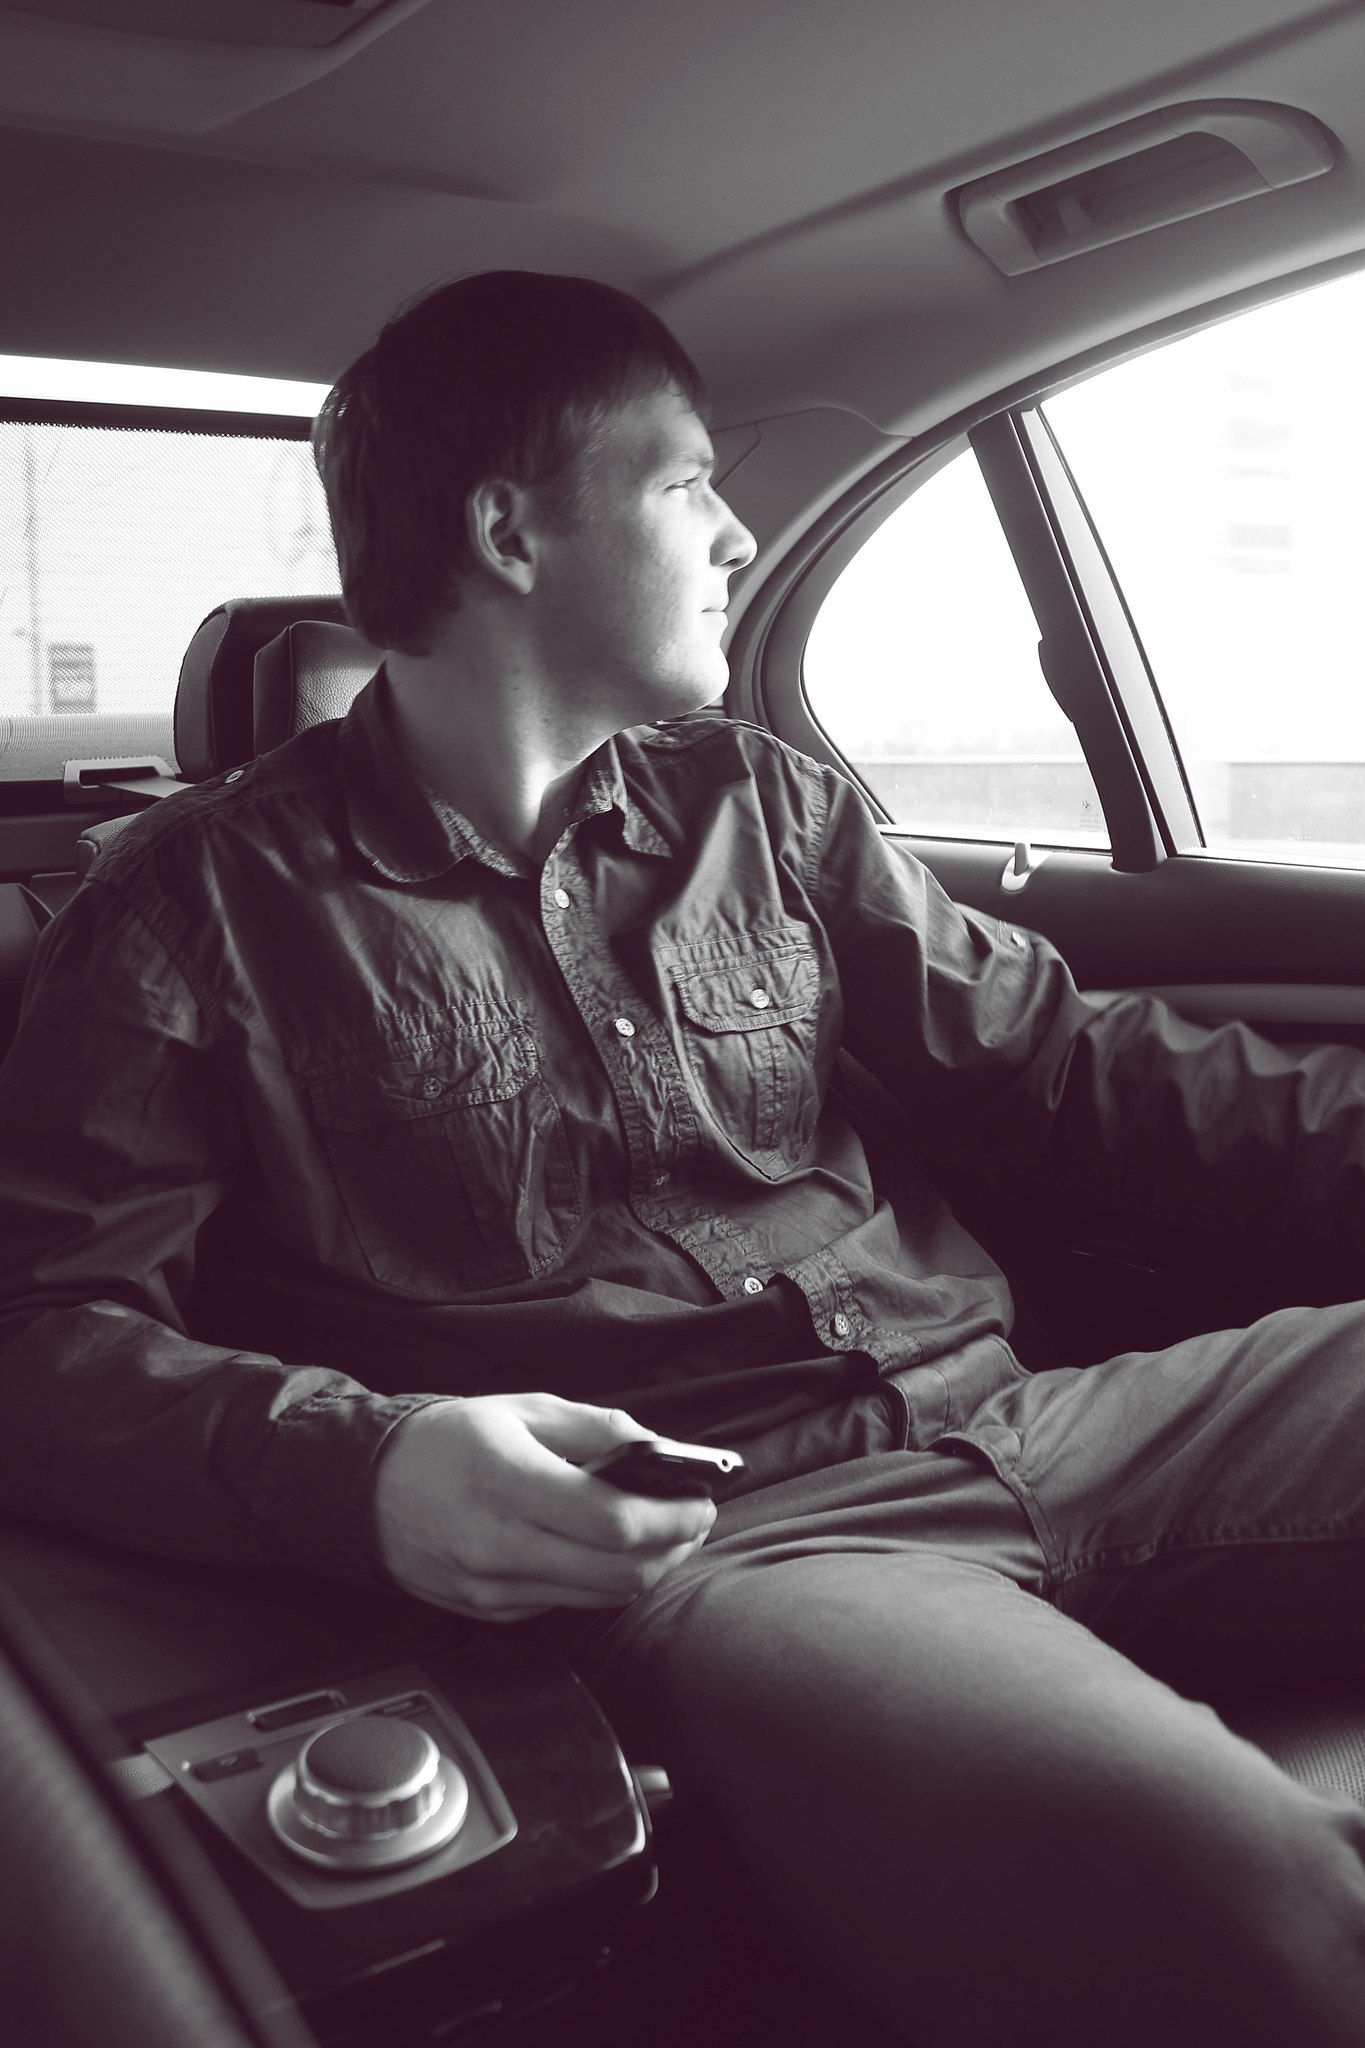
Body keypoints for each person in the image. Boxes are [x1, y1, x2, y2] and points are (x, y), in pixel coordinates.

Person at [2, 269, 1365, 2047]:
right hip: (739, 1548)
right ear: (509, 532)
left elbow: (1064, 1068)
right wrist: (371, 1468)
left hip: (1045, 1419)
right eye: (689, 482)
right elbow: (39, 1334)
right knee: (1242, 1895)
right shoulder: (191, 909)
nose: (733, 537)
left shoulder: (763, 804)